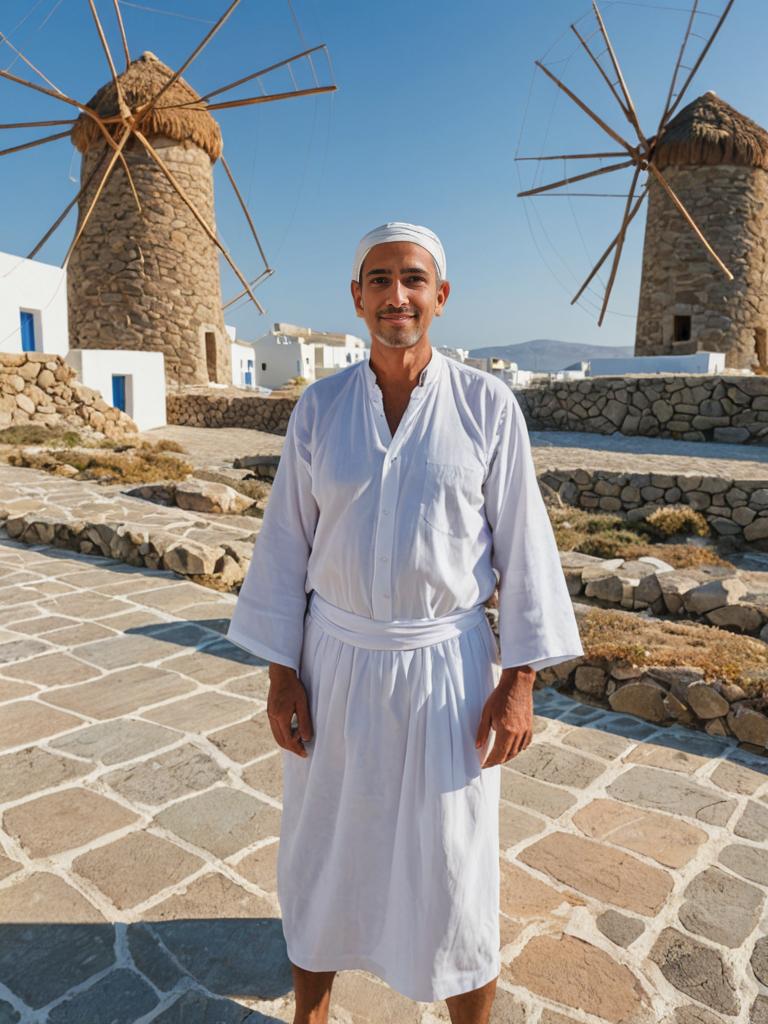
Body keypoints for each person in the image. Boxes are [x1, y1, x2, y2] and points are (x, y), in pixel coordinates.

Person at [227, 222, 583, 1024]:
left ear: (440, 296)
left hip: (448, 672)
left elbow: (526, 546)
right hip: (336, 664)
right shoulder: (318, 411)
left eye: (413, 279)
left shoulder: (487, 407)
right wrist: (282, 673)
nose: (398, 296)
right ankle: (310, 1013)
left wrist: (519, 681)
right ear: (357, 298)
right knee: (321, 851)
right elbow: (286, 545)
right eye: (380, 280)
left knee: (454, 868)